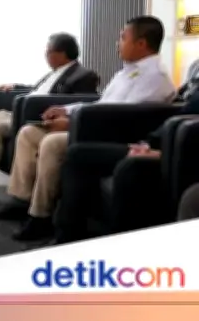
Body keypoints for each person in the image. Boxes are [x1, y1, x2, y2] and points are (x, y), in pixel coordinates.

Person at [0, 16, 175, 242]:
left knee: (52, 143)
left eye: (123, 37)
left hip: (110, 135)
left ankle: (41, 216)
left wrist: (72, 122)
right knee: (29, 133)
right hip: (92, 125)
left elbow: (122, 118)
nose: (118, 43)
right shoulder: (126, 72)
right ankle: (22, 200)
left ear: (141, 43)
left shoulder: (155, 78)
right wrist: (65, 110)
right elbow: (100, 104)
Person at [0, 33, 99, 202]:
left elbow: (81, 102)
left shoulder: (83, 75)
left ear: (62, 53)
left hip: (31, 117)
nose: (45, 55)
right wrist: (14, 86)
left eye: (48, 51)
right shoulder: (54, 73)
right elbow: (36, 90)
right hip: (19, 111)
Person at [54, 87, 199, 243]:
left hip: (176, 154)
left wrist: (162, 153)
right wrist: (145, 145)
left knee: (130, 167)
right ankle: (68, 237)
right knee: (77, 154)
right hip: (154, 144)